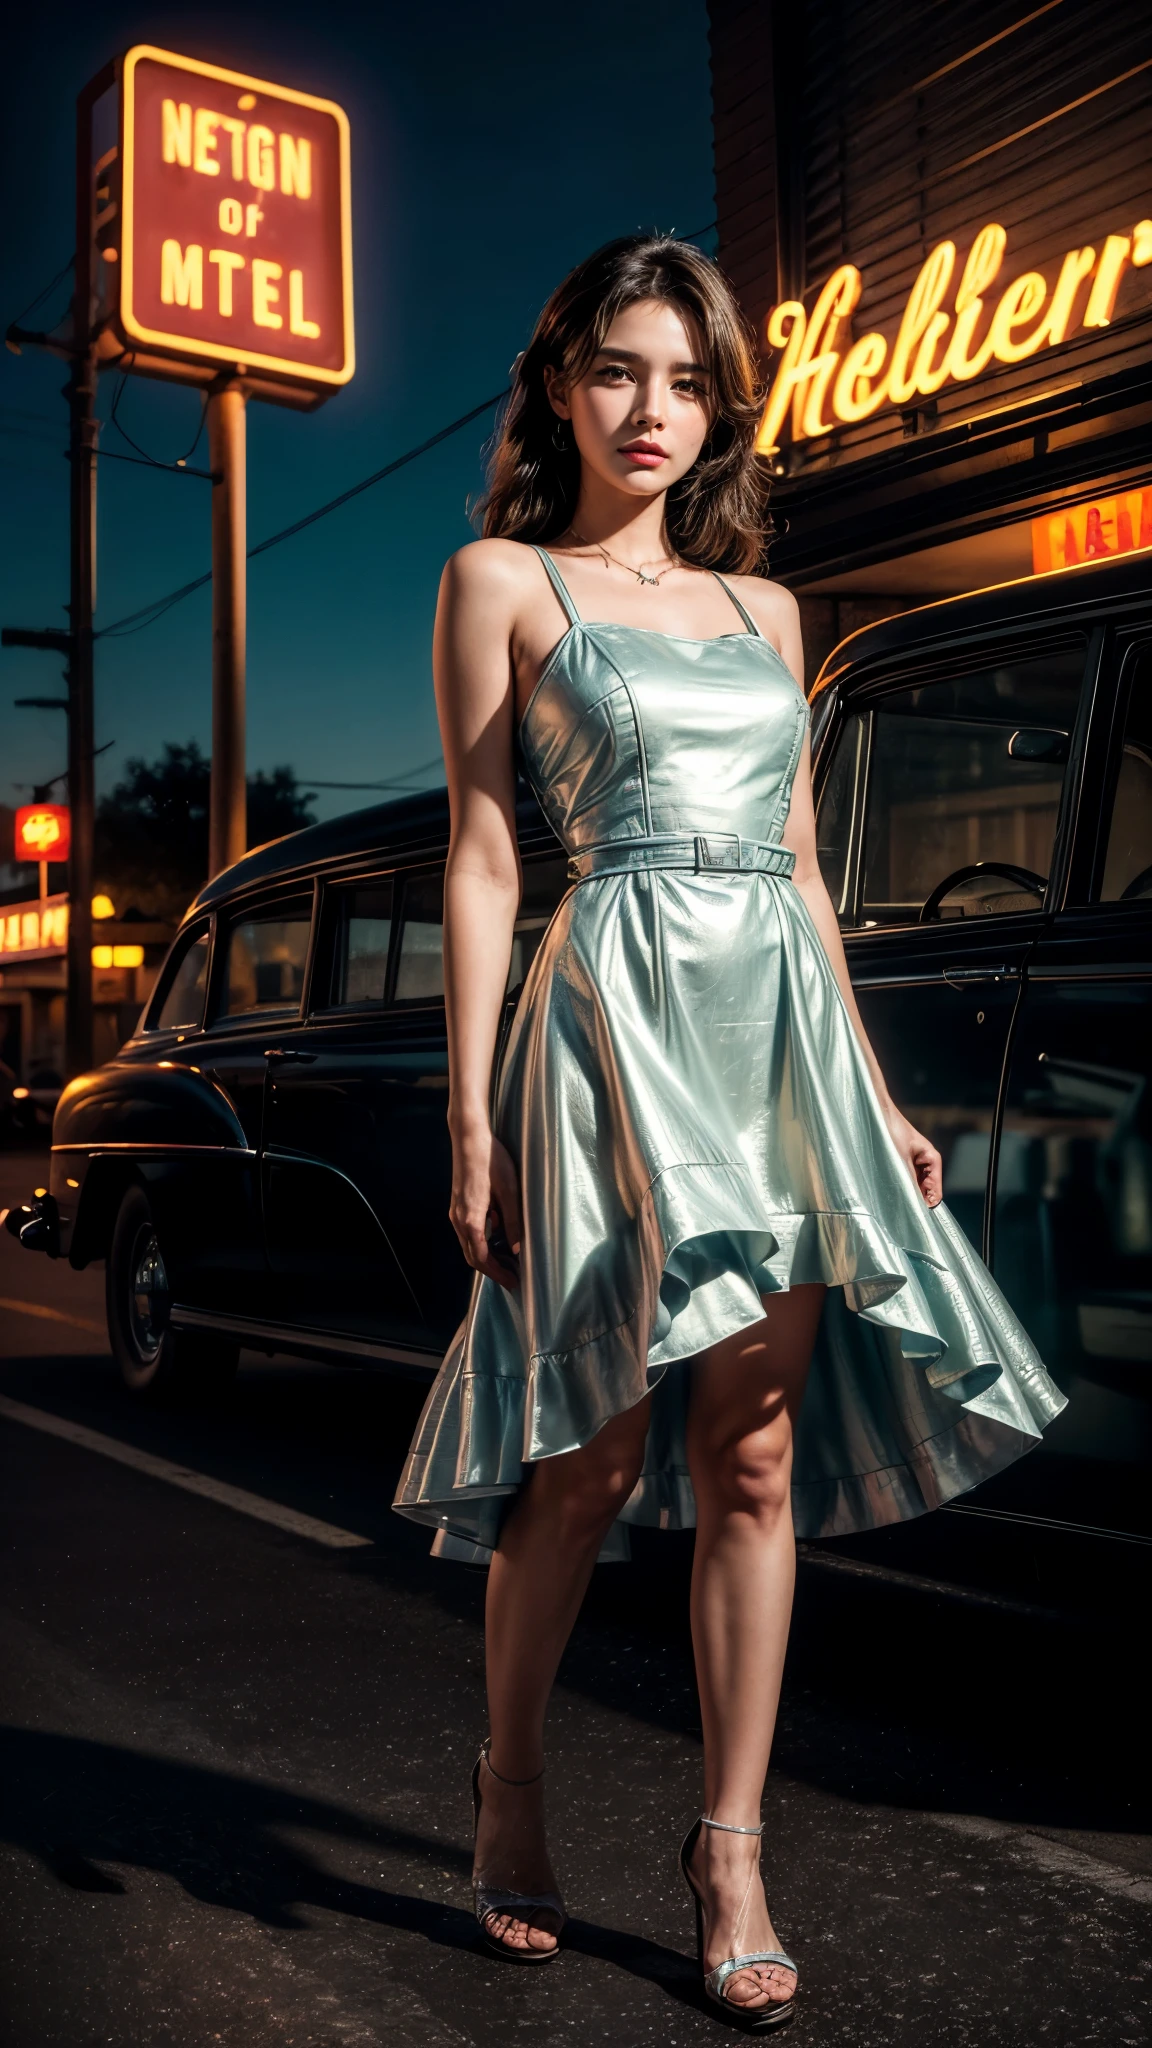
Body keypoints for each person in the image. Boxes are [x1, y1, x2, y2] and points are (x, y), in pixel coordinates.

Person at [394, 235, 1065, 2030]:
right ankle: (511, 1786)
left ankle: (731, 1847)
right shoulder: (500, 577)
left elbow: (799, 878)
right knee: (592, 1462)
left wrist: (866, 1089)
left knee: (753, 1463)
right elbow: (479, 859)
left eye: (687, 380)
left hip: (766, 1033)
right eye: (619, 370)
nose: (653, 411)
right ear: (559, 384)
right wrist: (469, 1115)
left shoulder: (772, 615)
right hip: (604, 1021)